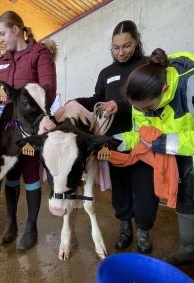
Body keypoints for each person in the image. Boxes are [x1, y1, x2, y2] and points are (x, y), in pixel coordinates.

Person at [74, 20, 158, 253]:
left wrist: (121, 106)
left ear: (137, 42)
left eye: (126, 46)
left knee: (144, 187)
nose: (120, 52)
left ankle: (143, 230)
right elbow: (97, 100)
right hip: (115, 140)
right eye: (115, 47)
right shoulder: (106, 73)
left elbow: (152, 101)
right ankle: (125, 226)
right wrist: (75, 103)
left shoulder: (146, 67)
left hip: (143, 140)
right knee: (120, 186)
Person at [116, 48, 194, 265]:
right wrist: (112, 143)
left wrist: (161, 144)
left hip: (183, 154)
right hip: (181, 162)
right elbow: (139, 136)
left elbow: (155, 141)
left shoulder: (189, 85)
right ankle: (187, 249)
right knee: (186, 202)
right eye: (139, 109)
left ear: (165, 89)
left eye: (148, 108)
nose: (145, 112)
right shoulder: (141, 102)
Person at [0, 11, 56, 250]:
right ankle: (11, 222)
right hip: (8, 132)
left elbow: (48, 92)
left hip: (30, 128)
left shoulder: (39, 54)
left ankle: (31, 225)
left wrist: (25, 113)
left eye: (3, 33)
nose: (1, 39)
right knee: (10, 174)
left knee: (30, 174)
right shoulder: (2, 61)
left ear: (16, 30)